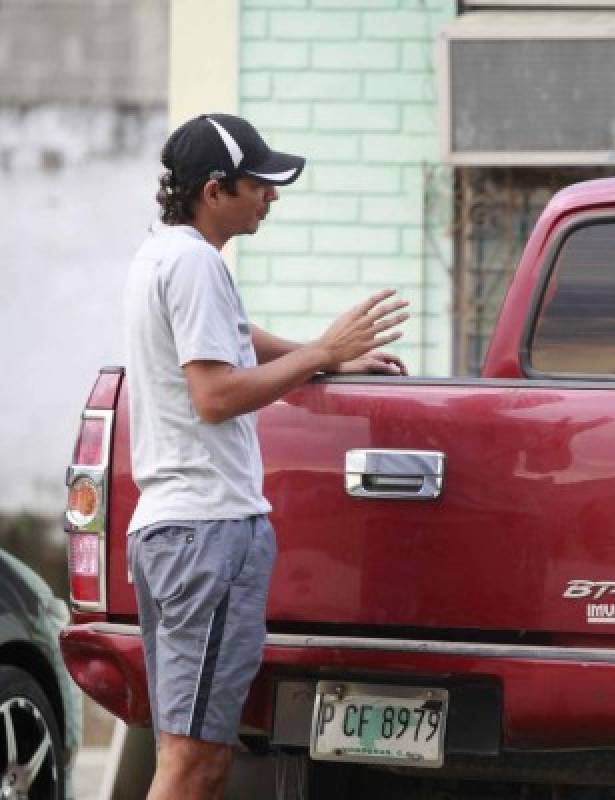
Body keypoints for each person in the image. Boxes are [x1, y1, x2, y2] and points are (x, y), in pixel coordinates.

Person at [123, 113, 409, 800]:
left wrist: (318, 356)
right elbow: (215, 394)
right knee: (197, 764)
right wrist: (323, 352)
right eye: (260, 185)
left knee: (183, 753)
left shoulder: (164, 253)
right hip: (208, 537)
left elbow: (229, 335)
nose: (271, 198)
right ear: (215, 190)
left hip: (172, 534)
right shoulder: (194, 262)